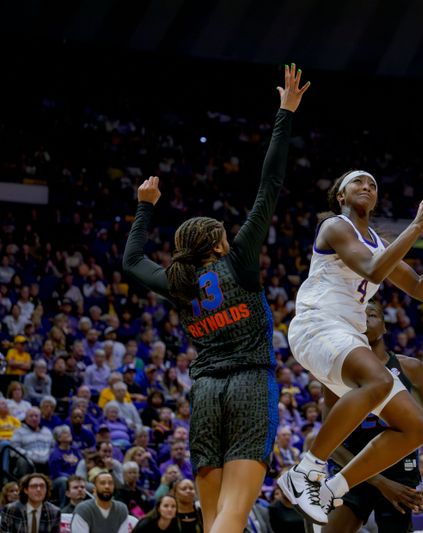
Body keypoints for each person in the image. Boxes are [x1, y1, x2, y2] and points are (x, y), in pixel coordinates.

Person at [122, 65, 309, 533]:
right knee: (232, 515)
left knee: (212, 518)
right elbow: (270, 185)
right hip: (249, 383)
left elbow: (130, 262)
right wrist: (285, 114)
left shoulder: (177, 281)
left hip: (205, 391)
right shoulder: (240, 259)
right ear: (220, 242)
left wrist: (145, 207)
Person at [278, 161, 423, 523]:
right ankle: (305, 470)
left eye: (372, 183)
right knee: (379, 380)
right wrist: (418, 225)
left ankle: (331, 489)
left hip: (346, 335)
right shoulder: (336, 226)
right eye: (357, 183)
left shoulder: (379, 243)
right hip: (317, 324)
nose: (367, 186)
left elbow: (419, 289)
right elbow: (372, 271)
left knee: (415, 428)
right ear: (342, 195)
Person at [320, 300, 423, 533]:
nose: (364, 319)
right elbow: (331, 445)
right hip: (352, 470)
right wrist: (380, 482)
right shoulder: (336, 374)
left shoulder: (411, 368)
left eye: (372, 315)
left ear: (385, 327)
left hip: (400, 472)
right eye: (357, 316)